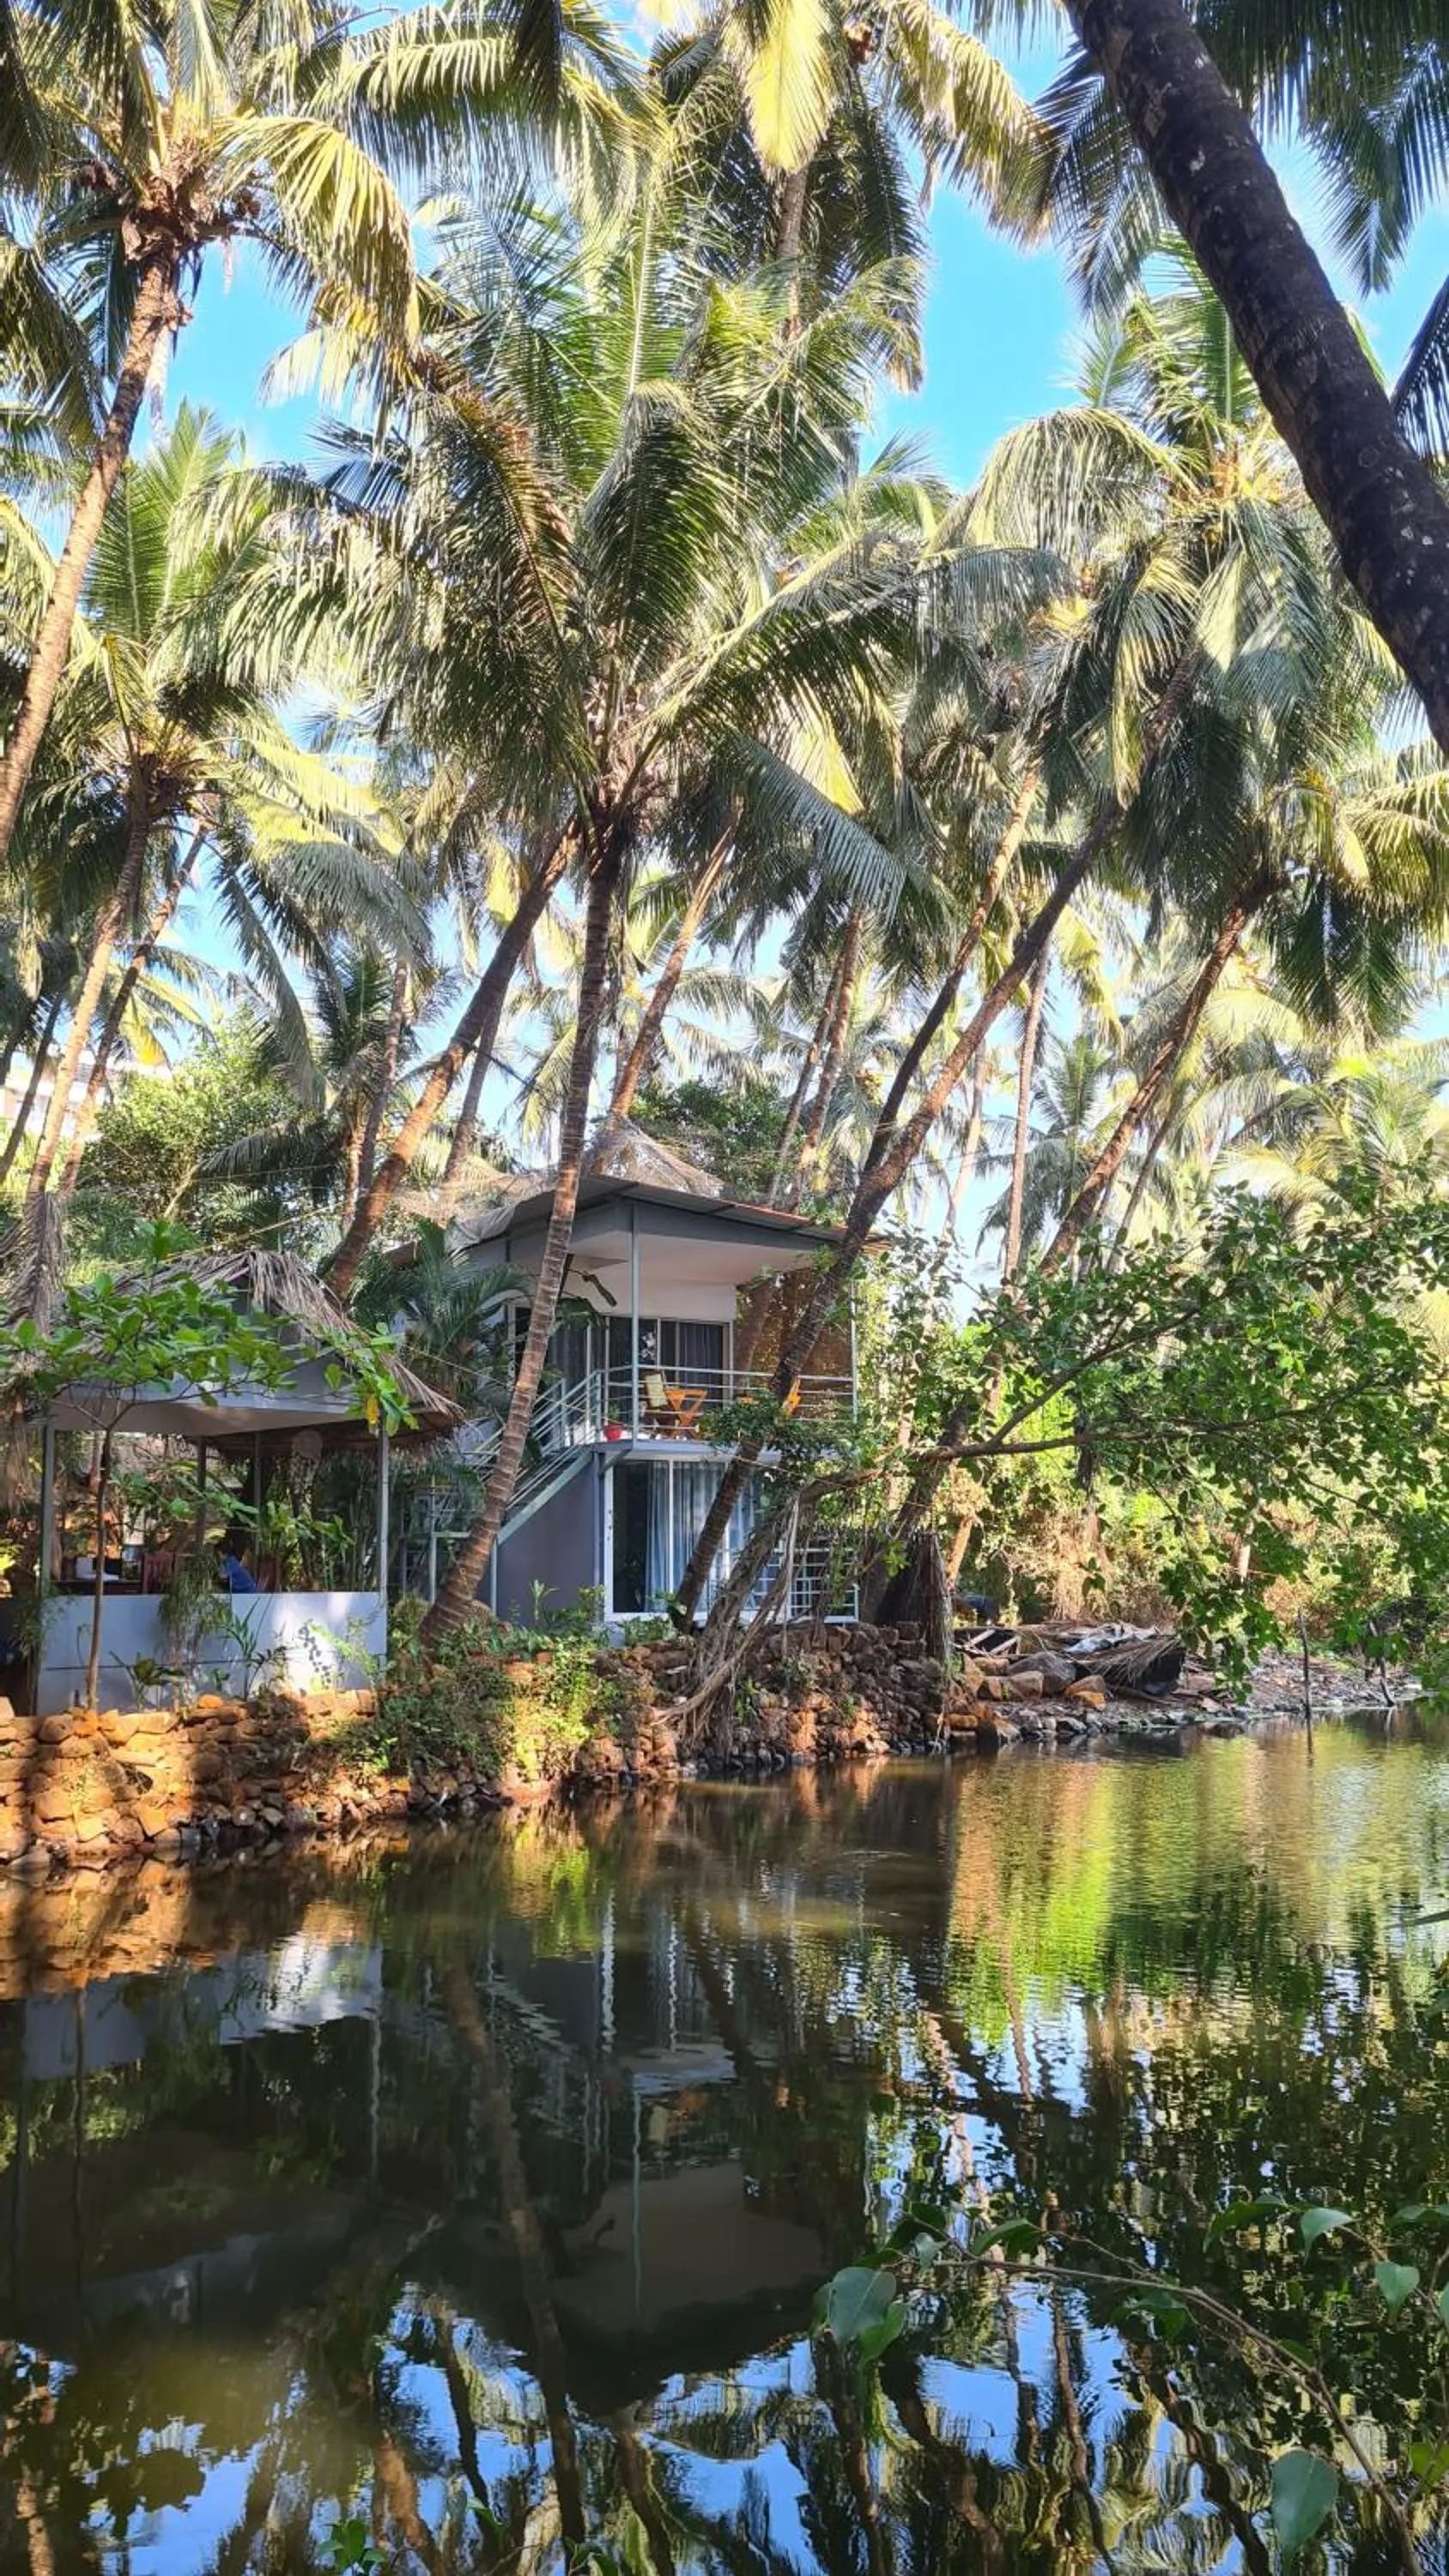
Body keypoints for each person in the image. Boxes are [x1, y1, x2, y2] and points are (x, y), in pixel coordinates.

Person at [218, 1529, 259, 1593]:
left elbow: (222, 1575)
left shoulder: (231, 1561)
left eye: (218, 1554)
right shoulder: (227, 1561)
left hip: (247, 1591)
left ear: (223, 1553)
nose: (217, 1556)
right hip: (239, 1589)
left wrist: (220, 1562)